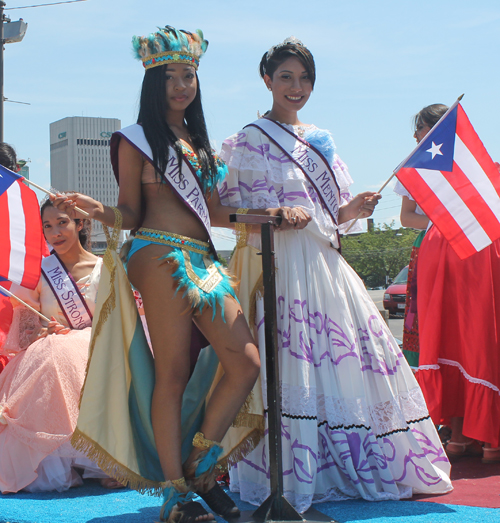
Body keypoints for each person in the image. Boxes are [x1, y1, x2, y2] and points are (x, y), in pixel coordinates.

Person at [52, 26, 296, 523]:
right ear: (152, 83)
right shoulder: (137, 139)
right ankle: (175, 495)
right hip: (157, 254)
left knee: (245, 362)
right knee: (173, 372)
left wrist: (266, 213)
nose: (182, 85)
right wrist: (95, 210)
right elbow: (131, 215)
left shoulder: (198, 142)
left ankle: (194, 469)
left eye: (189, 75)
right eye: (171, 77)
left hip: (203, 260)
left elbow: (216, 214)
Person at [219, 37, 452, 512]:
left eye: (305, 78)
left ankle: (352, 461)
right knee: (288, 364)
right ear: (267, 81)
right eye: (286, 76)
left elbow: (334, 216)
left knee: (343, 360)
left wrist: (354, 207)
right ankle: (291, 470)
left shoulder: (320, 140)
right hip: (276, 264)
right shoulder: (248, 140)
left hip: (323, 267)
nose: (296, 87)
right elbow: (225, 212)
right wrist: (275, 212)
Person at [0, 197, 122, 492]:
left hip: (100, 351)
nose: (55, 232)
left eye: (63, 223)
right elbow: (24, 330)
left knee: (68, 350)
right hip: (51, 352)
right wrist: (44, 330)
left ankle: (99, 459)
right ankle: (62, 458)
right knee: (54, 352)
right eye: (48, 226)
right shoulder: (39, 273)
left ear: (80, 223)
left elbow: (122, 323)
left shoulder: (107, 267)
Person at [404, 104, 500, 463]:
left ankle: (461, 436)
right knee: (475, 337)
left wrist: (441, 216)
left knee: (453, 337)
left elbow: (409, 218)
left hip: (448, 247)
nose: (417, 138)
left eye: (422, 130)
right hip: (473, 245)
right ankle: (484, 438)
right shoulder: (479, 167)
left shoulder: (423, 167)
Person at [394, 105, 448, 370]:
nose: (415, 135)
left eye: (420, 127)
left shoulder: (468, 163)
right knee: (428, 316)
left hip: (470, 249)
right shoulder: (414, 168)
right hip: (431, 249)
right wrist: (446, 223)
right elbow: (407, 217)